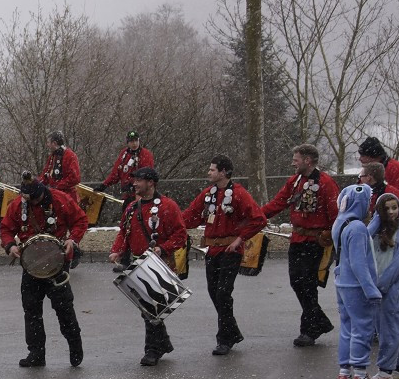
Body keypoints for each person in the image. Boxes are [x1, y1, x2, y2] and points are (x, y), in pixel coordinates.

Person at [0, 171, 89, 368]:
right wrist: (9, 245)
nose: (31, 203)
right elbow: (6, 228)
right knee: (31, 310)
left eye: (35, 199)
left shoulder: (60, 199)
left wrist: (72, 240)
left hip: (57, 263)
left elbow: (81, 220)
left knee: (64, 308)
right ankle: (36, 353)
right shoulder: (18, 205)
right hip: (31, 266)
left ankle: (75, 345)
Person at [182, 155, 267, 356]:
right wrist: (170, 221)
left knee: (223, 293)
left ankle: (224, 338)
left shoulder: (239, 194)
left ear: (223, 172)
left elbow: (258, 219)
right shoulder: (207, 194)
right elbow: (189, 216)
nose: (209, 173)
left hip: (231, 251)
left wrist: (240, 239)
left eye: (212, 170)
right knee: (214, 292)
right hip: (212, 251)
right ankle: (232, 332)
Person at [261, 144, 339, 347]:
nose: (292, 163)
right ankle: (318, 322)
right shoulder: (294, 181)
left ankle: (309, 330)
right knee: (297, 282)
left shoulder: (326, 183)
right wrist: (256, 216)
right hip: (297, 240)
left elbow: (336, 214)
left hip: (315, 242)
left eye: (296, 159)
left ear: (307, 160)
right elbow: (278, 203)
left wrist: (332, 235)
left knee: (308, 285)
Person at [108, 167, 187, 366]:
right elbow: (123, 233)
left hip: (159, 263)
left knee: (151, 309)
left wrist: (162, 248)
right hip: (137, 264)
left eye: (139, 180)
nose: (134, 184)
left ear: (151, 183)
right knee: (150, 309)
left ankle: (152, 349)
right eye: (134, 180)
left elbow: (180, 236)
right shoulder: (131, 208)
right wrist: (117, 250)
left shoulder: (168, 206)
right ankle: (162, 344)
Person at [358, 159, 399, 335]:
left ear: (369, 177)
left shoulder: (390, 193)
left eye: (362, 176)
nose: (360, 179)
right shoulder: (368, 194)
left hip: (392, 277)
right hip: (380, 263)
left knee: (395, 316)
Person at [332, 184, 381, 379]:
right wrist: (371, 289)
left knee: (347, 328)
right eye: (368, 201)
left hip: (342, 281)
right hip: (355, 286)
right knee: (362, 328)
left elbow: (348, 247)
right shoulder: (358, 227)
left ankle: (344, 372)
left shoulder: (341, 223)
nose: (369, 205)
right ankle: (360, 374)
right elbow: (359, 263)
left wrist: (376, 221)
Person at [368, 193, 399, 379]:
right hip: (382, 288)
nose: (391, 212)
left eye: (394, 208)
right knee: (391, 329)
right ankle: (397, 368)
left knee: (390, 330)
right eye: (386, 209)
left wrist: (382, 285)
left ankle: (386, 371)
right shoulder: (380, 229)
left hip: (397, 289)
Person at [95, 130, 155, 201]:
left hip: (141, 195)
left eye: (136, 140)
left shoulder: (145, 154)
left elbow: (147, 174)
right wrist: (104, 185)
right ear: (128, 142)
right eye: (131, 141)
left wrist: (133, 184)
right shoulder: (124, 154)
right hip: (127, 195)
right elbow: (115, 173)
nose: (134, 143)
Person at [38, 131, 81, 201]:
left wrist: (58, 186)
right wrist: (34, 184)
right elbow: (45, 176)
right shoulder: (52, 156)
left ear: (54, 143)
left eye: (48, 142)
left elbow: (75, 178)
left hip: (68, 197)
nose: (47, 145)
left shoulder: (70, 155)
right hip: (56, 196)